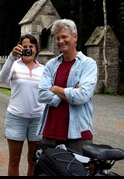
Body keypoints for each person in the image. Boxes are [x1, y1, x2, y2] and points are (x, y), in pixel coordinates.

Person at [37, 19, 97, 153]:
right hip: (51, 131)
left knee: (77, 171)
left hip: (78, 133)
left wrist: (55, 88)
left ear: (74, 37)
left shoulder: (88, 64)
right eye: (58, 38)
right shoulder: (51, 65)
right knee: (48, 172)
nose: (60, 41)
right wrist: (70, 94)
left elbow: (82, 95)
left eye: (64, 36)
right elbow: (41, 94)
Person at [0, 34, 45, 176]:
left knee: (34, 159)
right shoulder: (14, 65)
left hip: (37, 119)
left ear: (36, 49)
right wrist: (12, 57)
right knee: (14, 160)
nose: (28, 49)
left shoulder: (43, 69)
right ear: (20, 49)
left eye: (31, 46)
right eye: (25, 47)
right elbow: (1, 78)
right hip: (16, 117)